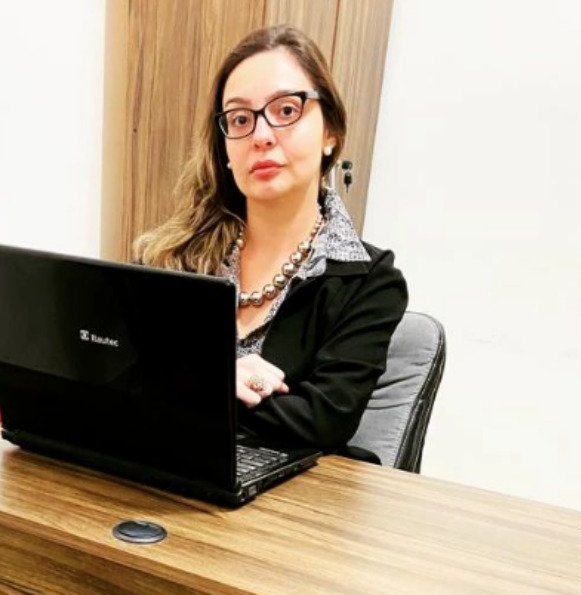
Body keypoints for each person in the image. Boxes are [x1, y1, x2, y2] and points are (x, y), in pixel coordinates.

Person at [134, 25, 407, 463]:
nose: (261, 135)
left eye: (286, 110)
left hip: (285, 498)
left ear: (330, 132)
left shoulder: (369, 281)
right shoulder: (171, 256)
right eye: (240, 119)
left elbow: (323, 421)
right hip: (161, 471)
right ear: (225, 147)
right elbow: (116, 375)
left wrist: (197, 386)